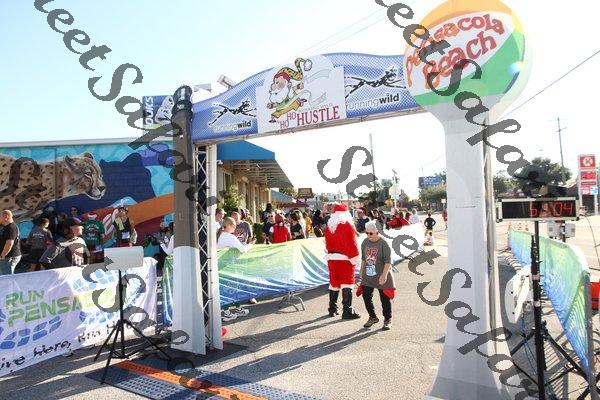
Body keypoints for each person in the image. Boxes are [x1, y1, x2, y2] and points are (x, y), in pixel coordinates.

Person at [324, 203, 360, 320]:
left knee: (334, 282)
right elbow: (351, 244)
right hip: (345, 258)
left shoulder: (329, 227)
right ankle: (347, 310)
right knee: (347, 282)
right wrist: (355, 258)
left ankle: (332, 308)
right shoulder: (346, 225)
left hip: (332, 258)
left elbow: (327, 244)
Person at [357, 220, 395, 330]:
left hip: (382, 275)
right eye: (366, 233)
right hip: (368, 276)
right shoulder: (365, 242)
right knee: (366, 296)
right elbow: (363, 259)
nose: (368, 235)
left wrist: (384, 275)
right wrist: (361, 272)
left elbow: (388, 262)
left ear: (377, 232)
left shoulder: (384, 243)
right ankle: (373, 317)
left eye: (371, 233)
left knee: (385, 299)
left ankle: (387, 319)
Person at [216, 217, 252, 319]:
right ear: (229, 225)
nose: (236, 227)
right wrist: (251, 245)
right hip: (228, 266)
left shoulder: (217, 235)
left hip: (218, 265)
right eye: (234, 225)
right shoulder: (230, 237)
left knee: (226, 288)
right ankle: (227, 312)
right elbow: (243, 249)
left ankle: (237, 308)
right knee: (231, 288)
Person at [0, 210, 22, 275]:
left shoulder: (11, 227)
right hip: (8, 256)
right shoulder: (6, 227)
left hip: (9, 257)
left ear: (6, 217)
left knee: (7, 277)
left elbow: (9, 243)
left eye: (0, 216)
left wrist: (3, 255)